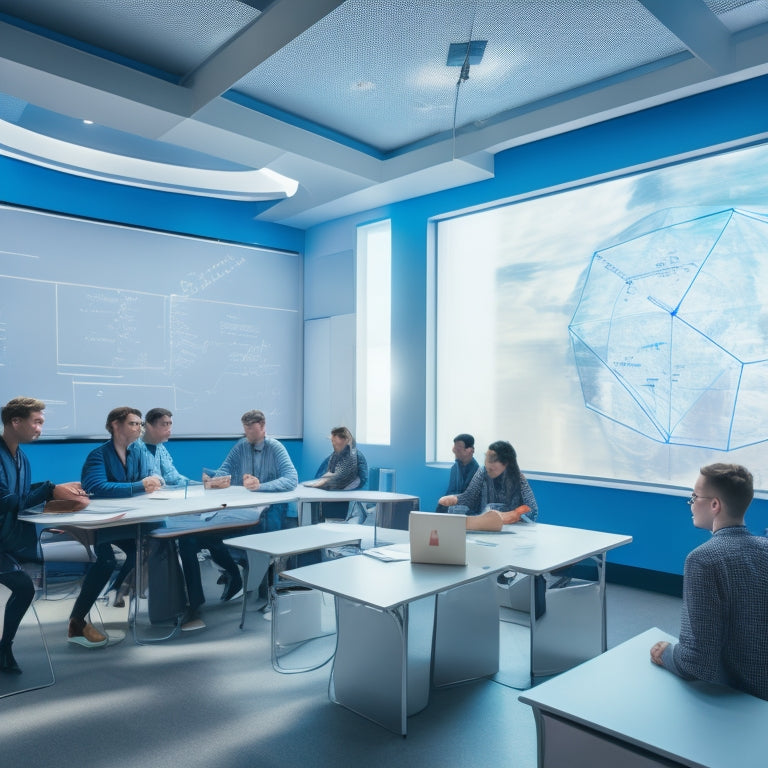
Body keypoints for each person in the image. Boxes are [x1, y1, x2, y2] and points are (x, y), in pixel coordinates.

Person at [650, 463, 768, 700]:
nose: (691, 503)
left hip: (741, 701)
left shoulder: (702, 560)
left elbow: (695, 664)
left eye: (695, 496)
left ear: (715, 504)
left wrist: (667, 653)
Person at [0, 397, 90, 672]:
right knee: (25, 587)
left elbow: (23, 497)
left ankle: (4, 649)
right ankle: (4, 649)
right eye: (36, 422)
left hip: (11, 540)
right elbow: (7, 501)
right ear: (16, 421)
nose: (40, 428)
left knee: (32, 583)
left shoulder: (21, 457)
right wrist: (50, 489)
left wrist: (56, 493)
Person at [184, 410, 298, 610]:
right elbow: (224, 470)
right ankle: (235, 574)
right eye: (245, 430)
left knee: (262, 539)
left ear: (263, 426)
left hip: (269, 512)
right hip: (241, 511)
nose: (248, 435)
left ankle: (266, 589)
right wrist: (212, 480)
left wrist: (260, 485)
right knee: (211, 536)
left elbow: (291, 479)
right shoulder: (241, 446)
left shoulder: (275, 447)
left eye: (251, 430)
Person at [73, 407, 162, 648]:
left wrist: (154, 481)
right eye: (133, 423)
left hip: (128, 519)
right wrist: (140, 486)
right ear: (115, 425)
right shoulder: (98, 455)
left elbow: (150, 476)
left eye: (140, 424)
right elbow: (97, 487)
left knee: (152, 543)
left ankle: (118, 594)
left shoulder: (138, 453)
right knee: (107, 562)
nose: (139, 428)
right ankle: (77, 621)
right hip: (100, 523)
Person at [438, 440, 538, 529]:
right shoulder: (482, 472)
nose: (489, 465)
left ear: (506, 463)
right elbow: (469, 497)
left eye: (494, 460)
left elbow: (532, 508)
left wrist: (515, 513)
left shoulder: (518, 478)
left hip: (512, 527)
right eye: (488, 458)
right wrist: (456, 499)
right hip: (486, 524)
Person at [436, 433, 479, 512]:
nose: (454, 450)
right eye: (454, 447)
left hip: (468, 508)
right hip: (454, 504)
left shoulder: (478, 472)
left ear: (470, 450)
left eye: (458, 448)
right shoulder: (455, 468)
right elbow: (450, 490)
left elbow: (471, 497)